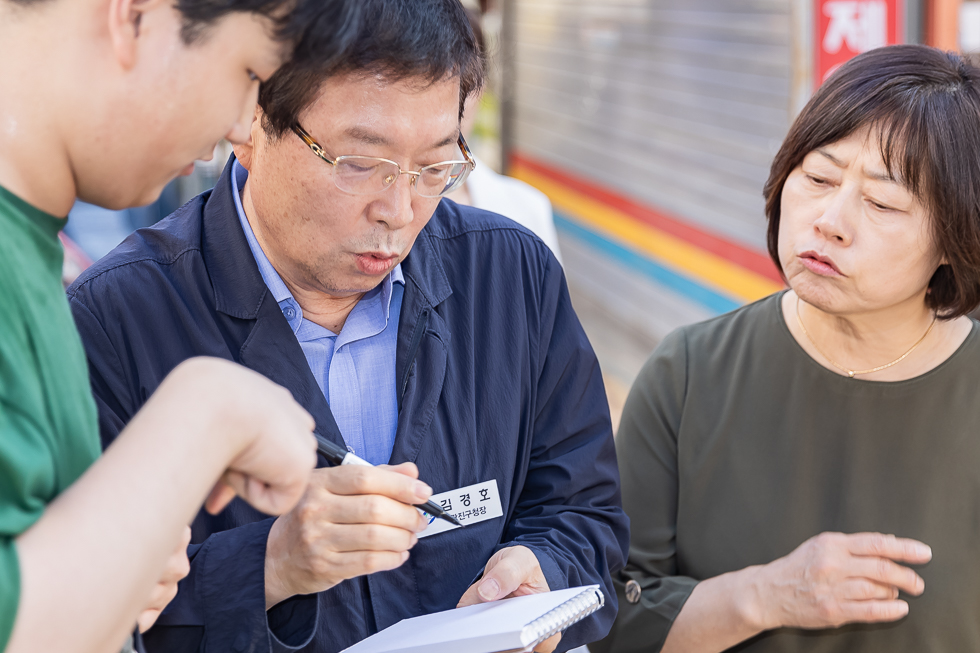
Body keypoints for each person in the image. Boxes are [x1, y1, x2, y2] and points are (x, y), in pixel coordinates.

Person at [67, 1, 629, 652]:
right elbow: (83, 613)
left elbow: (587, 513)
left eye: (435, 167)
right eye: (360, 163)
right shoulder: (117, 318)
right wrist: (271, 564)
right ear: (251, 120)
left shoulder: (512, 274)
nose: (398, 209)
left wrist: (541, 572)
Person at [592, 45, 980, 653]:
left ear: (957, 238)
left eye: (882, 203)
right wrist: (766, 595)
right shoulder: (689, 372)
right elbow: (608, 614)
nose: (829, 219)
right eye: (819, 177)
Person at [0, 0, 361, 651]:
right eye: (249, 70)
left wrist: (115, 575)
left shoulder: (30, 249)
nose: (237, 127)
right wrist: (210, 410)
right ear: (134, 16)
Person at [447, 7, 562, 262]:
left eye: (467, 84)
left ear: (484, 88)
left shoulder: (526, 210)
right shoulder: (383, 213)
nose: (453, 103)